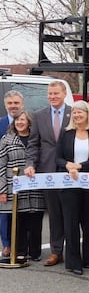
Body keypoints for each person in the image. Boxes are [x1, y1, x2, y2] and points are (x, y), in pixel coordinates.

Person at [56, 100, 89, 275]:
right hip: (69, 185)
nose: (77, 115)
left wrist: (80, 166)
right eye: (74, 112)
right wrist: (69, 165)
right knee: (71, 224)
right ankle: (73, 262)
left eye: (80, 112)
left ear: (88, 114)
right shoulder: (66, 133)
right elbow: (58, 158)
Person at [24, 81, 72, 267]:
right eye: (50, 94)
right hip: (48, 172)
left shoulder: (74, 113)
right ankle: (56, 251)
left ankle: (74, 251)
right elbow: (34, 144)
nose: (52, 96)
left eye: (56, 93)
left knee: (72, 213)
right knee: (54, 214)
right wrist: (30, 164)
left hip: (70, 172)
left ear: (64, 93)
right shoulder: (38, 116)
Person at [0, 110, 45, 261]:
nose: (20, 122)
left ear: (29, 122)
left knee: (36, 220)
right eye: (17, 120)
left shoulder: (37, 139)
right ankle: (20, 250)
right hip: (15, 188)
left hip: (35, 187)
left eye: (23, 120)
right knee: (18, 221)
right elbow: (1, 166)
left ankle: (35, 252)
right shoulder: (7, 140)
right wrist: (2, 189)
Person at [0, 90, 24, 258]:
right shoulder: (0, 124)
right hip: (5, 175)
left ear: (21, 104)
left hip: (24, 176)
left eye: (16, 103)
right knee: (4, 212)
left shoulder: (29, 123)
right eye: (10, 103)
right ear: (5, 105)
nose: (13, 106)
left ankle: (23, 244)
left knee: (24, 212)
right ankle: (7, 244)